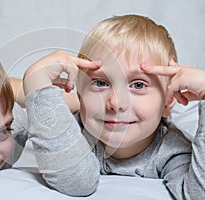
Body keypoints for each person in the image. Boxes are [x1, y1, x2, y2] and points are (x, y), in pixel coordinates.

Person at [22, 15, 205, 198]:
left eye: (138, 85)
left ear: (168, 101)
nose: (116, 103)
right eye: (101, 83)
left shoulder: (172, 148)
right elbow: (77, 184)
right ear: (80, 95)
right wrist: (37, 83)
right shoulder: (71, 134)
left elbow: (196, 193)